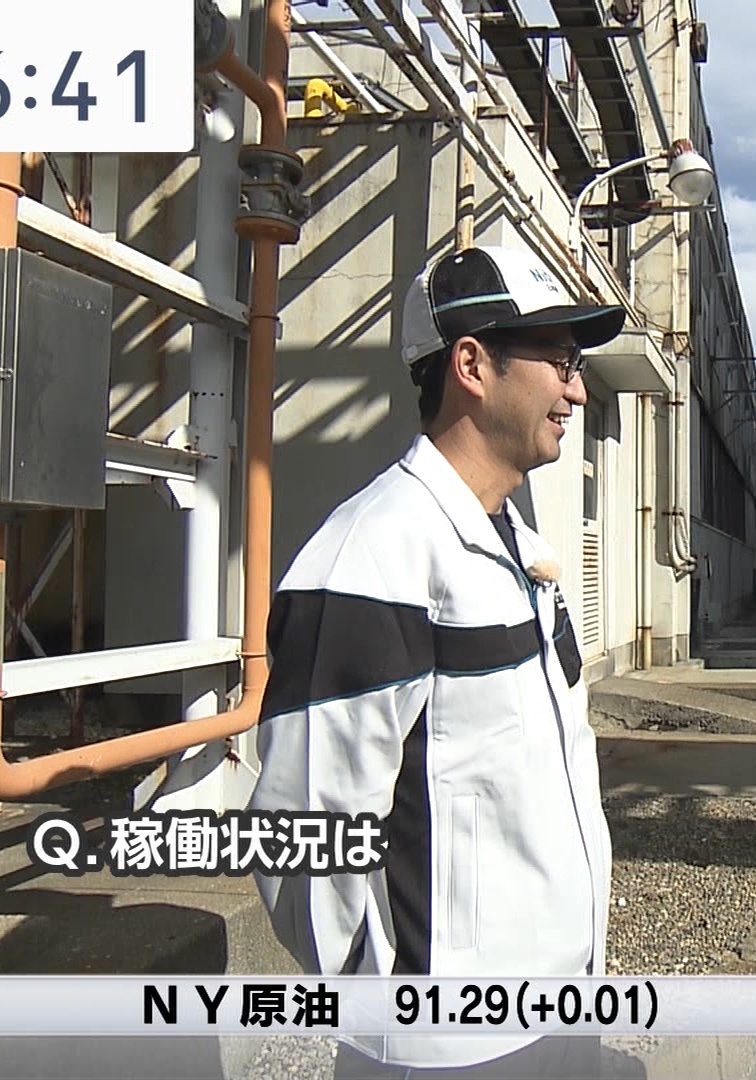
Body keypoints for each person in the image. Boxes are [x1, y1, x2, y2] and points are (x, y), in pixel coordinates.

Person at [248, 245, 624, 1078]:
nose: (576, 391)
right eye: (561, 362)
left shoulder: (518, 547)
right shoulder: (370, 556)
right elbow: (303, 833)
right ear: (472, 365)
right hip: (450, 1048)